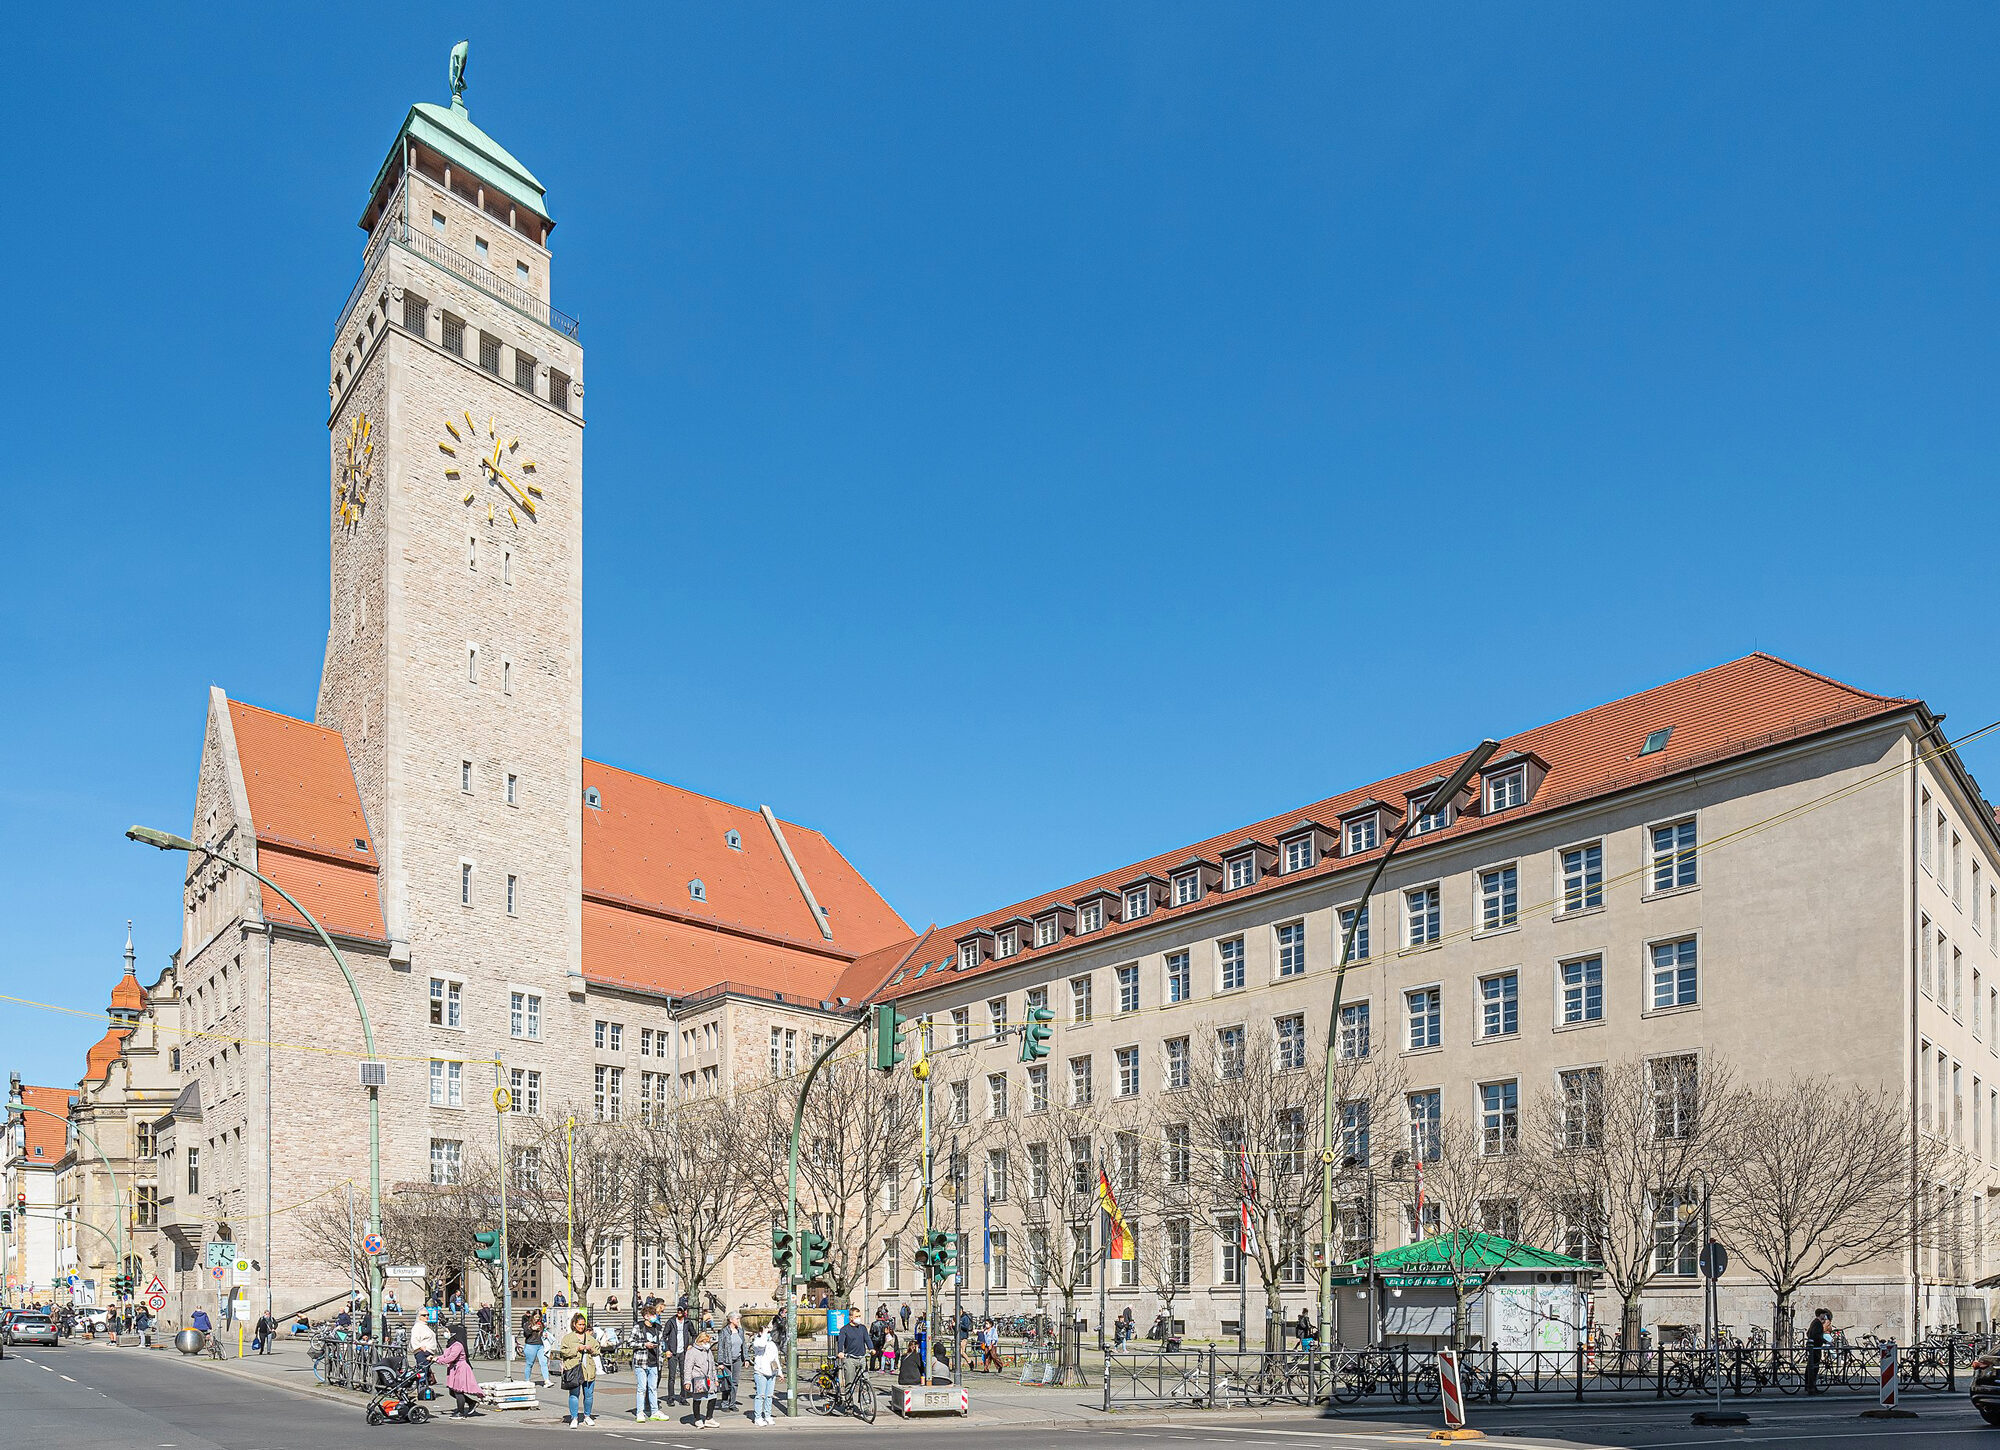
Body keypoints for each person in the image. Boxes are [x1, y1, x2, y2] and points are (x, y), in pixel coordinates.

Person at [557, 1311, 600, 1427]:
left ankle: (587, 1416)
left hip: (589, 1369)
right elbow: (563, 1352)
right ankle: (574, 1417)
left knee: (589, 1395)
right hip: (574, 1369)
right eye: (579, 1324)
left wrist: (591, 1350)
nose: (582, 1327)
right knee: (574, 1394)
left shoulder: (590, 1338)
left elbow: (597, 1350)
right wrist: (577, 1348)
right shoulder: (568, 1338)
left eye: (583, 1324)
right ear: (574, 1324)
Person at [435, 1324, 483, 1418]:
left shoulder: (458, 1345)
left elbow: (450, 1358)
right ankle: (471, 1403)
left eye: (448, 1332)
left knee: (458, 1391)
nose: (446, 1333)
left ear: (454, 1333)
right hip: (454, 1368)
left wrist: (437, 1360)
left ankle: (460, 1413)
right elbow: (446, 1356)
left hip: (460, 1368)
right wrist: (436, 1358)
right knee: (452, 1391)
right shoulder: (452, 1343)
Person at [630, 1303, 665, 1422]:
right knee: (641, 1388)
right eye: (652, 1315)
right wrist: (644, 1345)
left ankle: (654, 1411)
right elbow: (630, 1342)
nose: (654, 1316)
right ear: (646, 1316)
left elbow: (661, 1343)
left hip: (654, 1361)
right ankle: (640, 1412)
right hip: (641, 1361)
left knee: (653, 1388)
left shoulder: (658, 1328)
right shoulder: (638, 1327)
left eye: (655, 1314)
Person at [685, 1331, 720, 1427]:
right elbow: (688, 1367)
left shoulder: (708, 1352)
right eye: (706, 1342)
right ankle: (697, 1419)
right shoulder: (692, 1352)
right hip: (698, 1378)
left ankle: (709, 1418)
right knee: (697, 1399)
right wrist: (687, 1381)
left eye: (708, 1342)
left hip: (709, 1378)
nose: (708, 1344)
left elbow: (712, 1366)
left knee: (713, 1397)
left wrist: (716, 1379)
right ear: (701, 1341)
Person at [836, 1307, 870, 1398]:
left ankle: (866, 1403)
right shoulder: (844, 1329)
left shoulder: (862, 1328)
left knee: (866, 1382)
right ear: (851, 1317)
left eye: (859, 1316)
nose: (859, 1318)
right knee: (850, 1384)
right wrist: (840, 1352)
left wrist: (872, 1348)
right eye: (856, 1316)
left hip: (861, 1358)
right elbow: (841, 1342)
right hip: (850, 1359)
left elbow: (867, 1339)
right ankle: (849, 1407)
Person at [663, 1304, 693, 1405]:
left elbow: (694, 1334)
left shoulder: (688, 1322)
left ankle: (683, 1397)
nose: (679, 1312)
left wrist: (690, 1345)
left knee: (684, 1376)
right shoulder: (671, 1321)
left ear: (684, 1311)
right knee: (672, 1376)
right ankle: (670, 1398)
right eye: (678, 1310)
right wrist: (667, 1349)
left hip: (683, 1353)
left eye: (681, 1310)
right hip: (673, 1352)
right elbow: (664, 1336)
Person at [751, 1325, 782, 1425]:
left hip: (771, 1373)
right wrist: (763, 1334)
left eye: (769, 1333)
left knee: (769, 1396)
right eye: (766, 1332)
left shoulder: (772, 1344)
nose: (768, 1334)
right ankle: (758, 1417)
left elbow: (776, 1358)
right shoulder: (757, 1341)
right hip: (761, 1372)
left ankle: (768, 1415)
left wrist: (779, 1372)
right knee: (760, 1395)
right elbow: (761, 1345)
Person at [717, 1312, 745, 1411]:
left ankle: (732, 1403)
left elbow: (743, 1345)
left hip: (737, 1359)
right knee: (727, 1382)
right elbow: (720, 1347)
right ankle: (724, 1403)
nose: (738, 1321)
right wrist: (720, 1362)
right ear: (731, 1320)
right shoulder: (724, 1332)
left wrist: (746, 1359)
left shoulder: (740, 1331)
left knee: (735, 1382)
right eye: (737, 1319)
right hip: (726, 1360)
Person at [1805, 1308, 1831, 1394]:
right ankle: (1812, 1386)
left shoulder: (1814, 1322)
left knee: (1810, 1366)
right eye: (1823, 1314)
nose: (1824, 1316)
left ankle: (1808, 1385)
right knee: (1814, 1367)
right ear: (1820, 1315)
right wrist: (1825, 1341)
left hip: (1813, 1347)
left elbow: (1808, 1333)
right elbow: (1816, 1335)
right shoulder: (1818, 1323)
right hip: (1815, 1347)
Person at [523, 1306, 551, 1388]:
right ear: (533, 1316)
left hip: (540, 1345)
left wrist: (544, 1334)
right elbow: (525, 1334)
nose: (537, 1319)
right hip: (531, 1345)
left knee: (544, 1362)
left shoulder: (541, 1323)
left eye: (539, 1317)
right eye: (536, 1317)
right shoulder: (528, 1324)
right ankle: (527, 1380)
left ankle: (547, 1380)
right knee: (529, 1363)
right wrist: (532, 1329)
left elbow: (544, 1332)